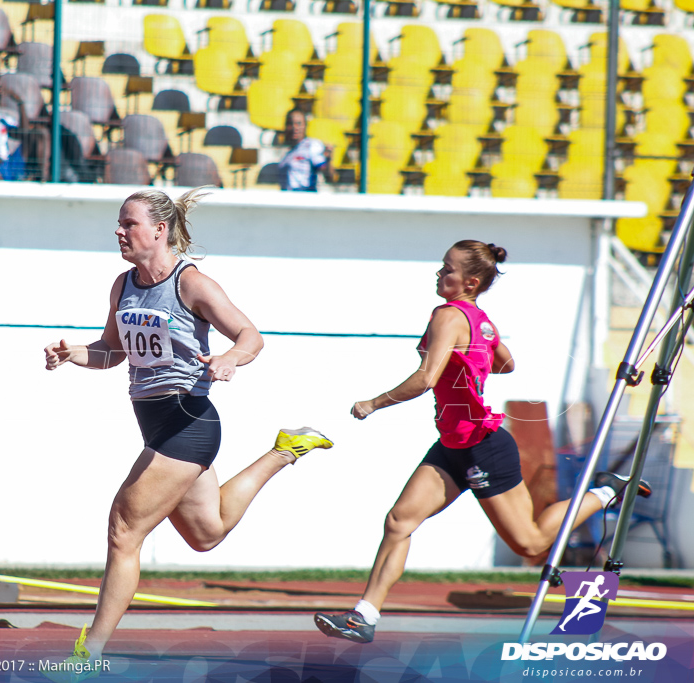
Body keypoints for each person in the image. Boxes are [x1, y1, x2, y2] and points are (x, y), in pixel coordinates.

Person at [42, 188, 334, 681]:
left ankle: (87, 656)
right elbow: (112, 351)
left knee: (123, 530)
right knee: (207, 533)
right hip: (157, 425)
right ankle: (285, 450)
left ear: (159, 230)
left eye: (128, 224)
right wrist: (74, 353)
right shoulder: (123, 284)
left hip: (188, 421)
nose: (119, 231)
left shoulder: (191, 283)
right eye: (118, 223)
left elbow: (251, 337)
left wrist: (227, 359)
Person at [314, 240, 651, 644]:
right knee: (399, 521)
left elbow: (425, 379)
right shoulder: (480, 319)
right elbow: (505, 363)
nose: (439, 274)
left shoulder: (448, 316)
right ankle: (364, 616)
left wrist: (374, 402)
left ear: (470, 281)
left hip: (483, 446)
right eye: (441, 267)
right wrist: (471, 358)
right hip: (453, 444)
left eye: (447, 269)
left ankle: (604, 490)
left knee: (530, 543)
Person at [277, 108, 333, 192]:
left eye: (299, 124)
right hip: (287, 199)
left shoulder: (311, 145)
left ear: (305, 126)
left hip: (304, 198)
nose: (294, 127)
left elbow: (327, 175)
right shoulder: (286, 153)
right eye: (290, 123)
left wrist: (328, 160)